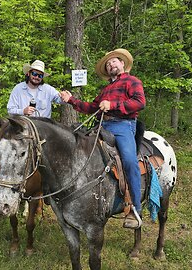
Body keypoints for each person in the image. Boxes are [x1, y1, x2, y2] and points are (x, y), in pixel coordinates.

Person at [59, 48, 146, 229]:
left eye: (114, 61)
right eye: (108, 64)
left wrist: (113, 104)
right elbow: (91, 107)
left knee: (129, 161)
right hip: (101, 126)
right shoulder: (105, 89)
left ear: (122, 64)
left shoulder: (132, 81)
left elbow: (139, 102)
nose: (110, 64)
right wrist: (71, 100)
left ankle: (135, 209)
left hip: (123, 125)